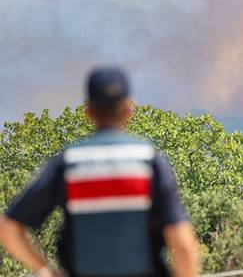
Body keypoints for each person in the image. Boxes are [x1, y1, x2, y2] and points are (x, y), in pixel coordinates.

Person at [0, 67, 199, 277]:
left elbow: (9, 227)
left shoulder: (68, 163)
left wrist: (46, 271)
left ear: (88, 112)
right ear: (129, 110)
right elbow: (182, 244)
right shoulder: (149, 161)